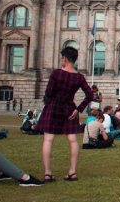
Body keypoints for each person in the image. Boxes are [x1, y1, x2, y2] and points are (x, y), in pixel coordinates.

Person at [37, 46, 94, 183]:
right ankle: (72, 172)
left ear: (65, 59)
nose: (61, 60)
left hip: (54, 107)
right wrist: (79, 109)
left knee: (48, 139)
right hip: (70, 108)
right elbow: (90, 95)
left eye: (61, 58)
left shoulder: (56, 73)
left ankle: (47, 173)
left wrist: (50, 103)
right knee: (73, 140)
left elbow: (49, 93)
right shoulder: (79, 77)